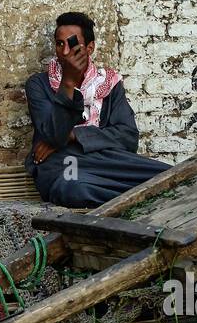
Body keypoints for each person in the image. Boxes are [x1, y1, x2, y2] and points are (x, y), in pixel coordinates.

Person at [24, 11, 169, 208]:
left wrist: (75, 135)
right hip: (65, 163)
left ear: (89, 48)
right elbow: (53, 136)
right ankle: (141, 198)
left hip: (105, 161)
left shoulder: (109, 83)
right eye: (59, 44)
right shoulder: (38, 85)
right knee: (73, 187)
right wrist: (68, 82)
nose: (65, 52)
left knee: (167, 175)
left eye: (72, 44)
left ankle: (140, 196)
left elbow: (127, 137)